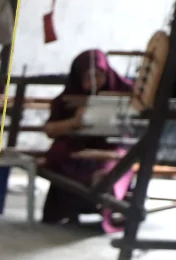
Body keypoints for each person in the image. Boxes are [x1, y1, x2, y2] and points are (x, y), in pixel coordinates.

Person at [41, 49, 135, 232]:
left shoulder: (125, 91)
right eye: (87, 78)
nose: (93, 82)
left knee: (117, 163)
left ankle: (107, 200)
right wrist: (74, 122)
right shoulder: (67, 97)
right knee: (60, 152)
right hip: (76, 146)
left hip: (113, 145)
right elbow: (50, 130)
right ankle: (72, 206)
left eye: (99, 75)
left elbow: (140, 122)